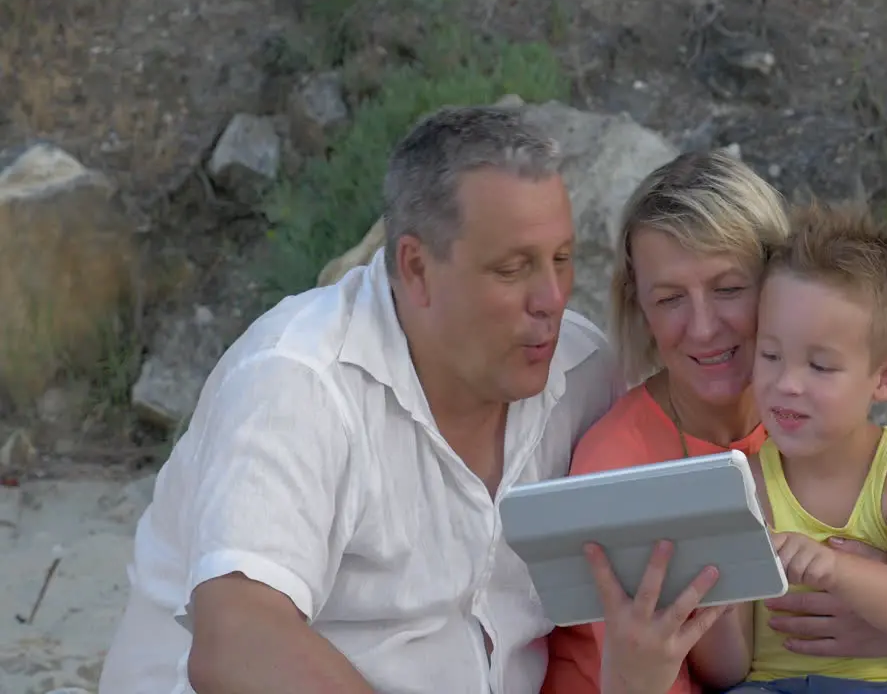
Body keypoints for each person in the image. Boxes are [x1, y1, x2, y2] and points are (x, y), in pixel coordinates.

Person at [96, 106, 714, 694]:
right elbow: (238, 640)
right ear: (416, 267)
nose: (550, 297)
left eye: (561, 259)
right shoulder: (300, 379)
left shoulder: (581, 371)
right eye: (512, 269)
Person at [543, 150, 887, 694]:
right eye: (669, 299)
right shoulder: (618, 467)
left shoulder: (803, 430)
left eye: (729, 289)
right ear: (639, 306)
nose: (704, 327)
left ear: (779, 282)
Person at [690, 199, 887, 694]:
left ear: (884, 378)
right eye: (771, 355)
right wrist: (714, 599)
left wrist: (837, 569)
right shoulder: (746, 479)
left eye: (819, 366)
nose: (787, 383)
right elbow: (729, 671)